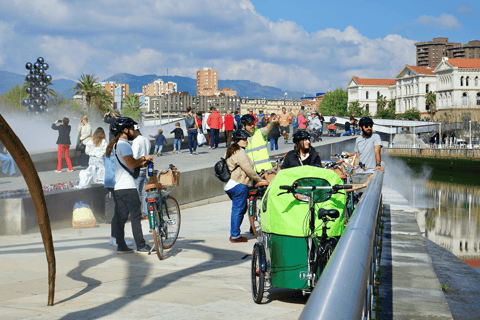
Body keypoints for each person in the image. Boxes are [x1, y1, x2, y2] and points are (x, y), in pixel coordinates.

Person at [106, 117, 154, 254]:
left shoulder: (116, 145)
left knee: (121, 218)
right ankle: (140, 244)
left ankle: (121, 246)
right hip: (128, 186)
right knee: (135, 216)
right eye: (132, 129)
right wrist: (145, 158)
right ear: (125, 130)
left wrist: (140, 162)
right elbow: (131, 164)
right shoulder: (124, 145)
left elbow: (129, 163)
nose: (134, 131)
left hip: (118, 187)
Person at [224, 130, 266, 243]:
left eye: (246, 139)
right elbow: (248, 170)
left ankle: (235, 233)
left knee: (239, 209)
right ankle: (235, 236)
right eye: (243, 139)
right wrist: (259, 179)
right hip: (239, 184)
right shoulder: (240, 152)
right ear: (237, 141)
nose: (246, 141)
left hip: (230, 184)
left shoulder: (230, 150)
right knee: (238, 209)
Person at [352, 117, 385, 186]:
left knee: (364, 194)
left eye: (370, 126)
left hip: (369, 172)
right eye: (366, 126)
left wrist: (378, 165)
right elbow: (357, 156)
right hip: (357, 173)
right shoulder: (358, 139)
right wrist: (354, 170)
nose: (369, 128)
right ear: (361, 127)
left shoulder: (375, 137)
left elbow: (377, 151)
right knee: (354, 195)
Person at [132, 128, 151, 218]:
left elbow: (135, 156)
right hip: (145, 168)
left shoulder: (136, 141)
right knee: (144, 193)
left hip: (138, 169)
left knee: (135, 193)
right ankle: (146, 213)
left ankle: (135, 214)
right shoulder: (146, 139)